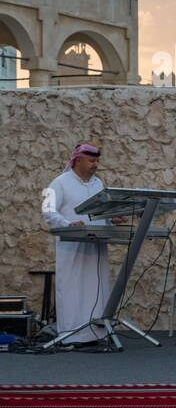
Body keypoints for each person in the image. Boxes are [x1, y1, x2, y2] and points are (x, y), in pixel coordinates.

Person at [41, 143, 112, 345]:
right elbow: (47, 210)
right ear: (78, 160)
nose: (95, 165)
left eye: (97, 160)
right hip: (71, 246)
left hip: (96, 245)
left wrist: (112, 219)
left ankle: (95, 334)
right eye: (91, 160)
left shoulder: (98, 184)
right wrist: (67, 224)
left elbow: (102, 213)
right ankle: (71, 335)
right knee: (72, 289)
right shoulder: (59, 182)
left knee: (96, 287)